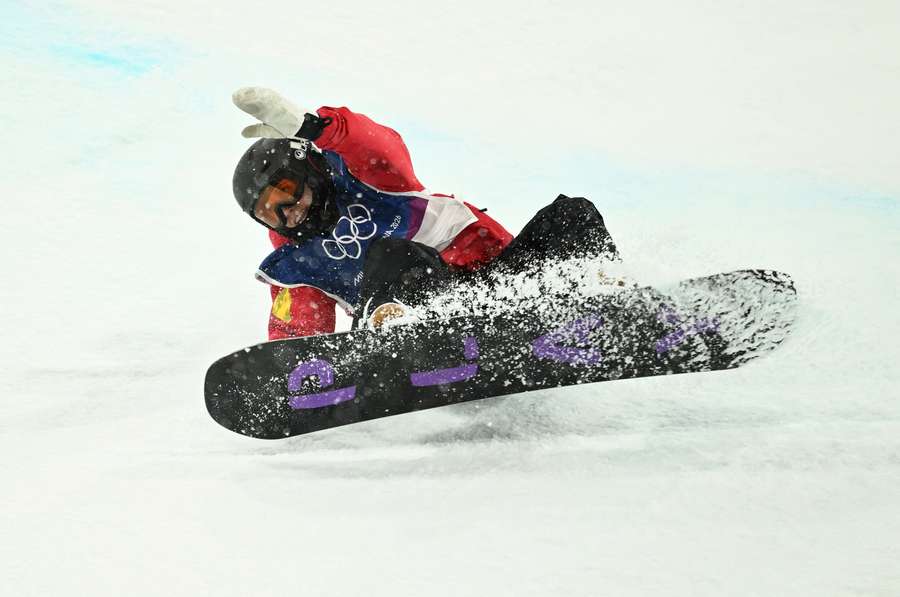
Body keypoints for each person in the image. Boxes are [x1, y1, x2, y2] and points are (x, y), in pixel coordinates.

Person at [231, 87, 619, 339]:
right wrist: (289, 371)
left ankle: (607, 298)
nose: (288, 213)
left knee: (572, 213)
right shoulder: (298, 261)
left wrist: (315, 128)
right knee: (392, 253)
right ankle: (394, 336)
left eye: (285, 192)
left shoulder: (367, 175)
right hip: (433, 318)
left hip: (502, 289)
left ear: (309, 171)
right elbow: (299, 329)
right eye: (269, 213)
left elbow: (377, 143)